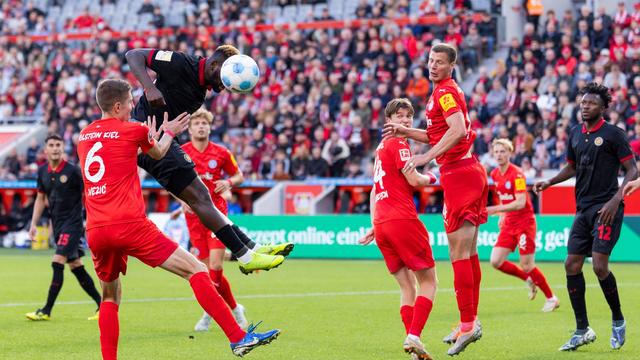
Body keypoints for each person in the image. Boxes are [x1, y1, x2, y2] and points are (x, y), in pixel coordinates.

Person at [77, 79, 280, 359]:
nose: (133, 107)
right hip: (130, 224)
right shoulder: (133, 129)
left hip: (96, 228)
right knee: (196, 269)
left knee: (110, 296)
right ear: (117, 105)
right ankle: (238, 337)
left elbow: (117, 154)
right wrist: (168, 132)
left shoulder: (84, 136)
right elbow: (158, 153)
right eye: (130, 103)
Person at [125, 45, 290, 275]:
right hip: (149, 139)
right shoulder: (180, 63)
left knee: (203, 198)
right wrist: (150, 88)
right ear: (214, 65)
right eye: (223, 82)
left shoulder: (200, 91)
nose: (222, 89)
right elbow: (133, 55)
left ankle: (251, 248)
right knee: (202, 197)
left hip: (163, 140)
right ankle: (246, 255)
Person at [383, 43, 488, 356]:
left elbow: (455, 130)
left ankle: (468, 324)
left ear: (451, 65)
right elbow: (438, 132)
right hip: (466, 171)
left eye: (440, 62)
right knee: (467, 251)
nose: (433, 66)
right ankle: (469, 321)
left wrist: (426, 157)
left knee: (459, 252)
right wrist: (407, 131)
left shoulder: (445, 92)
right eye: (431, 60)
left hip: (459, 174)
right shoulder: (443, 92)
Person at [534, 83, 637, 351]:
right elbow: (571, 167)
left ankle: (618, 320)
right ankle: (582, 329)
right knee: (571, 264)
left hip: (607, 208)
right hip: (582, 210)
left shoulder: (614, 134)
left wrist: (617, 199)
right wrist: (550, 182)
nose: (584, 106)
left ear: (603, 108)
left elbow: (632, 169)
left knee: (600, 266)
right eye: (582, 103)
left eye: (590, 103)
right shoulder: (574, 133)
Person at [181, 109, 283, 331]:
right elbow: (169, 180)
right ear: (189, 129)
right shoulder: (181, 153)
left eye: (204, 123)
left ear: (210, 128)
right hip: (193, 219)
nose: (200, 126)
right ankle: (236, 309)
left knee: (216, 265)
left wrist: (228, 182)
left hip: (216, 214)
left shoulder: (222, 152)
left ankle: (209, 314)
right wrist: (180, 199)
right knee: (207, 271)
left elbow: (239, 176)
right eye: (196, 123)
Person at [360, 98, 438, 360]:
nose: (405, 120)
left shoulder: (381, 149)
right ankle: (414, 335)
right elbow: (414, 179)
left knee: (407, 288)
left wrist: (373, 224)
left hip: (382, 224)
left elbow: (374, 190)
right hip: (402, 220)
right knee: (429, 282)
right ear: (388, 121)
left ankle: (414, 346)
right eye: (399, 116)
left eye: (408, 116)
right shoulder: (399, 143)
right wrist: (432, 178)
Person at [25, 134, 102, 321]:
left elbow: (90, 192)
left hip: (73, 225)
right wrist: (33, 224)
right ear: (45, 149)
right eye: (51, 145)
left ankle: (46, 310)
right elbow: (41, 198)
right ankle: (102, 306)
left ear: (63, 147)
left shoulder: (73, 171)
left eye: (58, 144)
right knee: (76, 266)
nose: (55, 148)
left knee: (57, 261)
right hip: (58, 225)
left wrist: (92, 217)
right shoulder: (42, 171)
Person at [487, 139, 559, 312]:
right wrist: (502, 214)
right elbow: (505, 197)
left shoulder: (518, 174)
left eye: (502, 151)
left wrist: (496, 209)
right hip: (509, 223)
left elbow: (519, 203)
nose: (499, 155)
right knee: (495, 261)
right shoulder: (495, 174)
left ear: (510, 153)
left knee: (527, 264)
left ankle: (551, 298)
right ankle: (528, 279)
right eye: (496, 152)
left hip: (524, 223)